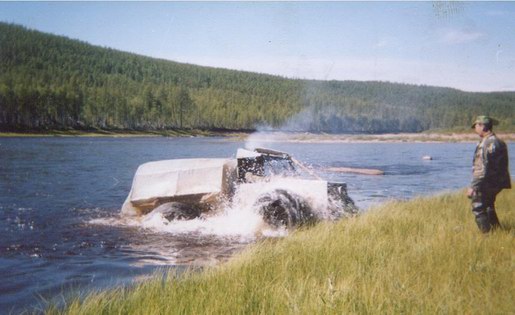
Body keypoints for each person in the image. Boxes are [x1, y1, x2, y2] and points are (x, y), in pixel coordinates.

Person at [467, 115, 511, 233]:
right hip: (497, 182)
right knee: (488, 205)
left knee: (478, 206)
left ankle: (487, 236)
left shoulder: (488, 143)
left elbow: (483, 168)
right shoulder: (498, 142)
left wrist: (473, 186)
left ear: (482, 126)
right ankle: (497, 232)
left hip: (487, 181)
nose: (475, 129)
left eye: (476, 126)